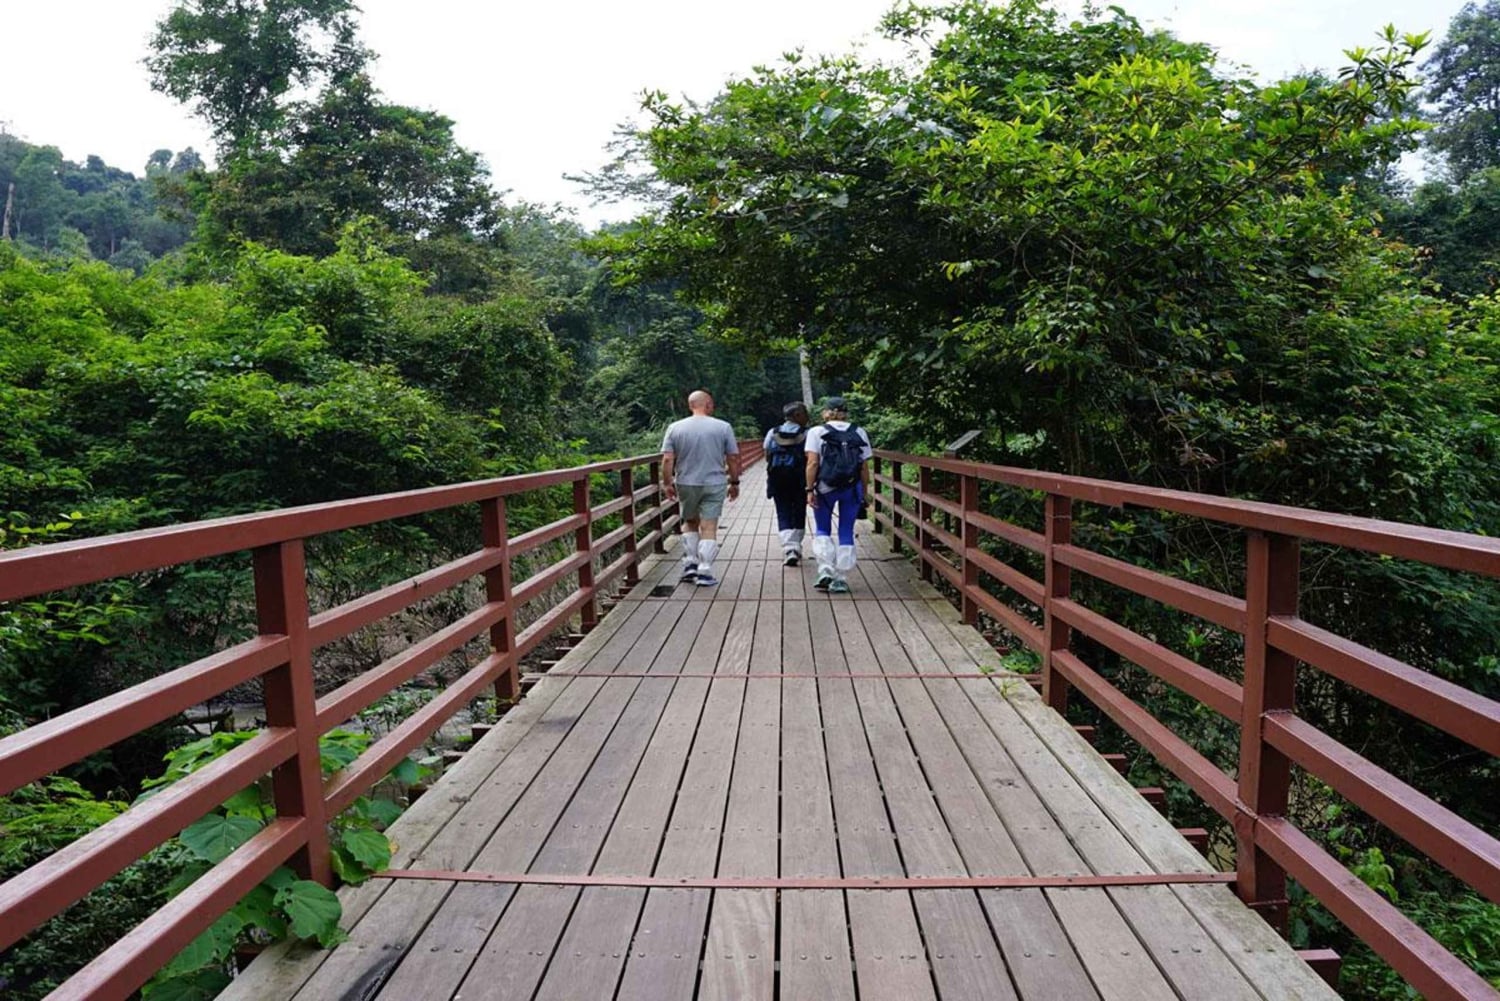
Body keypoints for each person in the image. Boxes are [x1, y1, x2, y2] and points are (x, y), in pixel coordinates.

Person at [661, 390, 740, 587]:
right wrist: (734, 482)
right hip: (714, 482)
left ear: (690, 405)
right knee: (709, 525)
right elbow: (732, 457)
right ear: (709, 405)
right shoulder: (723, 427)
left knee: (689, 521)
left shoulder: (675, 428)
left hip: (686, 482)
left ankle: (689, 564)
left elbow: (668, 458)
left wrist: (667, 482)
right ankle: (704, 570)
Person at [803, 396, 872, 594]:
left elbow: (813, 463)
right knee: (846, 531)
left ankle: (825, 569)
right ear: (845, 412)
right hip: (851, 488)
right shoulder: (858, 431)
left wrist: (809, 489)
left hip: (825, 487)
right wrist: (864, 493)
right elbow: (864, 467)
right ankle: (841, 577)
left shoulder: (817, 432)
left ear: (826, 412)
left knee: (822, 528)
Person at [763, 401, 810, 566]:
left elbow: (767, 454)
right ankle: (795, 547)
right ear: (797, 415)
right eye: (805, 413)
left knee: (782, 512)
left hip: (778, 478)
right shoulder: (807, 433)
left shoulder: (773, 432)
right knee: (799, 511)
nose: (807, 417)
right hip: (800, 479)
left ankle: (789, 548)